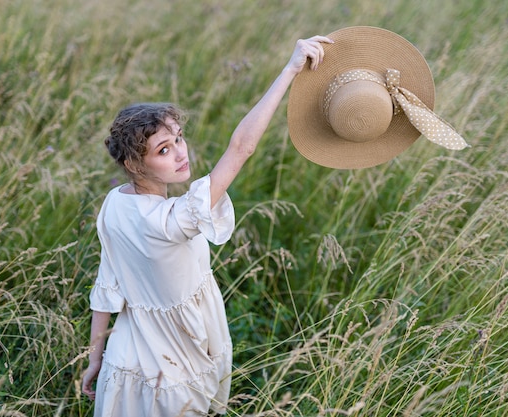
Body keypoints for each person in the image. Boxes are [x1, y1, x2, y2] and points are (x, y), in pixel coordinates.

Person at [81, 35, 333, 416]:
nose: (181, 152)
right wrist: (290, 69)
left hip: (124, 366)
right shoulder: (173, 220)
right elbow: (241, 148)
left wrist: (95, 359)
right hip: (175, 371)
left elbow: (107, 285)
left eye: (179, 138)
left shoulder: (115, 205)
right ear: (134, 164)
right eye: (163, 150)